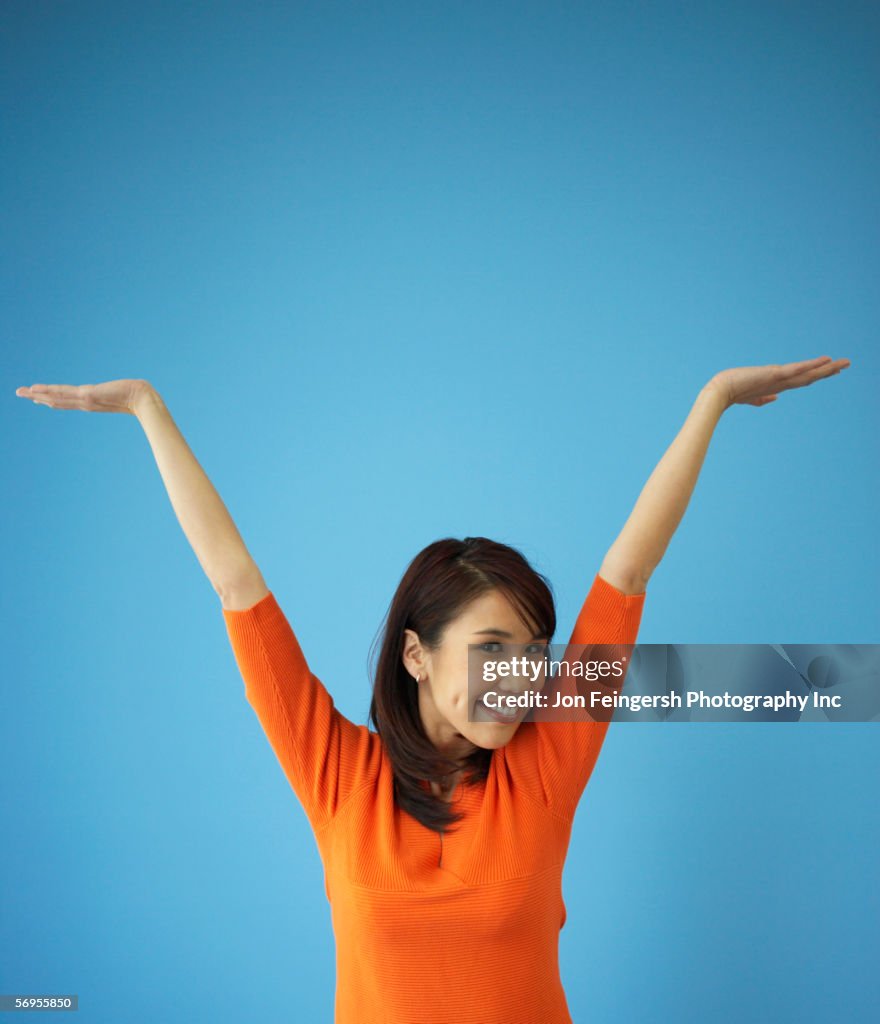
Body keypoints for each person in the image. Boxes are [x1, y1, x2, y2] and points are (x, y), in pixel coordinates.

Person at [15, 355, 850, 1023]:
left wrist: (712, 401)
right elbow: (236, 584)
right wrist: (148, 410)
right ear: (416, 656)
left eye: (534, 651)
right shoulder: (337, 776)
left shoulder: (547, 764)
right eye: (492, 648)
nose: (521, 676)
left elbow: (628, 568)